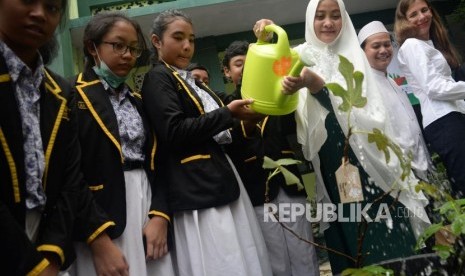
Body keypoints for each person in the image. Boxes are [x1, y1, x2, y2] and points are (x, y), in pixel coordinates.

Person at [255, 0, 431, 273]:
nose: (328, 23)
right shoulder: (300, 54)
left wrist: (317, 86)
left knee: (378, 217)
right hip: (334, 159)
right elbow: (271, 66)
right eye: (321, 16)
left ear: (344, 19)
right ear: (310, 19)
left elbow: (370, 109)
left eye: (336, 16)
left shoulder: (356, 56)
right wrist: (267, 33)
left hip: (368, 154)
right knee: (349, 220)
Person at [0, 1, 127, 275]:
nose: (39, 14)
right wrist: (31, 265)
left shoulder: (58, 90)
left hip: (45, 245)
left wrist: (52, 253)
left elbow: (69, 177)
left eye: (52, 7)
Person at [141, 9, 272, 276]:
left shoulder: (191, 81)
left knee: (240, 257)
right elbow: (173, 130)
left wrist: (263, 46)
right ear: (156, 41)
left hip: (220, 176)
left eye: (191, 38)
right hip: (196, 185)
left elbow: (235, 102)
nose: (187, 46)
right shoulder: (158, 78)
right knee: (221, 261)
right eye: (178, 38)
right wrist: (228, 114)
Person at [68, 12, 175, 276]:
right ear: (93, 47)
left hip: (146, 206)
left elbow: (159, 160)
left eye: (134, 48)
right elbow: (68, 174)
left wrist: (160, 214)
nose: (128, 55)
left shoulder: (138, 100)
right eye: (118, 45)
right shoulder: (70, 94)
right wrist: (97, 236)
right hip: (99, 213)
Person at [222, 40, 319, 276]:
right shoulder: (225, 106)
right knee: (274, 260)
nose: (244, 69)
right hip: (255, 191)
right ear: (227, 72)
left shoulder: (280, 95)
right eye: (238, 64)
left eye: (250, 63)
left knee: (304, 252)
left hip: (289, 186)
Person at [394, 0, 465, 197]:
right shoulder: (412, 45)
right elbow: (434, 88)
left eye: (424, 10)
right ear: (404, 21)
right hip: (443, 121)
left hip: (452, 117)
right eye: (413, 14)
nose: (422, 17)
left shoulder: (428, 44)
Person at [357, 21, 432, 181]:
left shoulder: (392, 82)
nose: (383, 50)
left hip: (422, 165)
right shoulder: (365, 87)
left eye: (387, 44)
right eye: (376, 46)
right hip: (401, 172)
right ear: (363, 52)